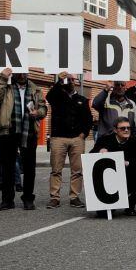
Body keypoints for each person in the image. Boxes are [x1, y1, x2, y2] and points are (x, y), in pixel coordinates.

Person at [0, 68, 47, 211]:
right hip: (8, 130)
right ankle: (7, 200)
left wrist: (38, 112)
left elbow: (44, 109)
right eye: (19, 73)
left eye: (24, 73)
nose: (21, 75)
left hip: (29, 132)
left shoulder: (35, 88)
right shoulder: (5, 85)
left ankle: (28, 198)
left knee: (29, 168)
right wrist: (2, 79)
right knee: (7, 167)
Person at [45, 72, 92, 209]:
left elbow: (88, 119)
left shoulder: (82, 99)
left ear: (76, 82)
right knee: (56, 170)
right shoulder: (57, 96)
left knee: (77, 170)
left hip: (77, 138)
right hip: (58, 137)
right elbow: (49, 96)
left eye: (72, 79)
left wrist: (83, 134)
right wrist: (60, 81)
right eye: (68, 79)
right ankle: (54, 197)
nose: (70, 81)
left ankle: (74, 197)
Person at [92, 117, 136, 215]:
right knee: (103, 214)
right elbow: (90, 158)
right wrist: (99, 151)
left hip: (128, 177)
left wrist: (128, 163)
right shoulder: (104, 140)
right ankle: (110, 205)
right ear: (115, 130)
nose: (126, 130)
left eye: (128, 128)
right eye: (123, 128)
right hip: (108, 180)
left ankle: (130, 205)